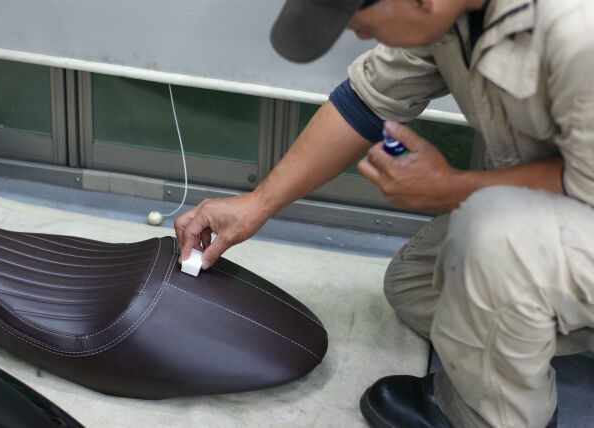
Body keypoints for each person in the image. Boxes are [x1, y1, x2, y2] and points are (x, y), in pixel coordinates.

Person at [175, 0, 594, 427]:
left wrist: (451, 187)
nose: (360, 36)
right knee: (417, 286)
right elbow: (365, 103)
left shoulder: (577, 29)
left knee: (491, 242)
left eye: (363, 25)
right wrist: (256, 203)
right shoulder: (449, 17)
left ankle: (494, 418)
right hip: (560, 204)